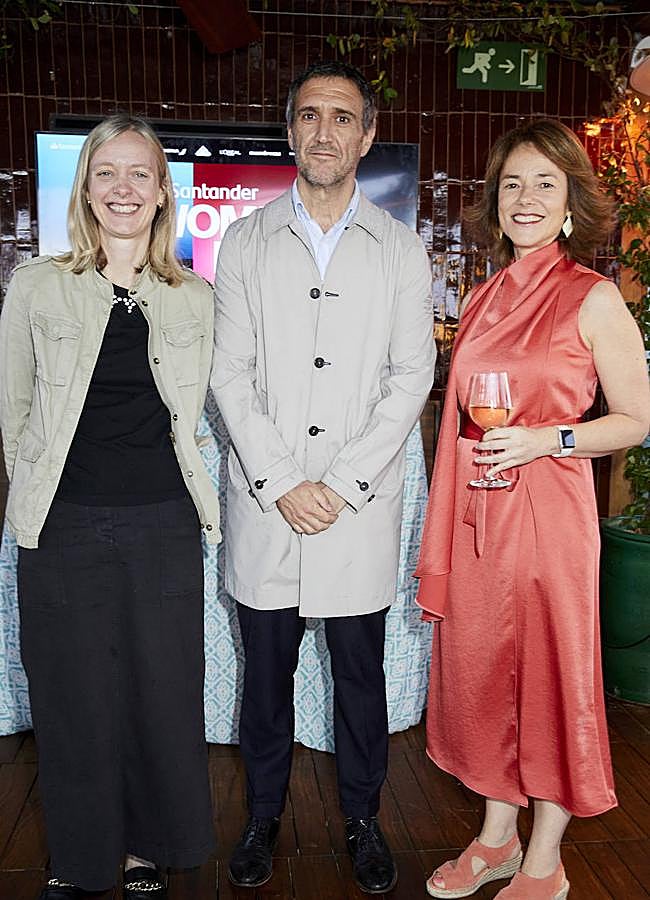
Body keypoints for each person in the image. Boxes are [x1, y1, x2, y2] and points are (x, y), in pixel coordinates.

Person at [210, 61, 435, 894]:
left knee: (358, 679)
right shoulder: (245, 240)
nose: (325, 131)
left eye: (343, 117)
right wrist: (279, 481)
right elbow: (227, 374)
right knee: (263, 683)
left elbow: (411, 378)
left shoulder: (402, 249)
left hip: (354, 510)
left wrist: (337, 484)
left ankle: (364, 818)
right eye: (310, 115)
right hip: (270, 509)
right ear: (291, 130)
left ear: (366, 135)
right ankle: (263, 815)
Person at [415, 119, 650, 899]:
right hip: (482, 516)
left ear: (571, 204)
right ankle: (495, 836)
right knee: (483, 671)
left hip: (550, 517)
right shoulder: (482, 297)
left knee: (548, 672)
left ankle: (544, 857)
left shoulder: (595, 296)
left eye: (545, 183)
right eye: (512, 183)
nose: (525, 198)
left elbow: (635, 420)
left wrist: (547, 439)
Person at [0, 114, 220, 900]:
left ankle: (145, 849)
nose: (123, 189)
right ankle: (83, 855)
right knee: (71, 693)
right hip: (63, 524)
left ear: (163, 193)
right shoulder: (36, 284)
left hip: (163, 521)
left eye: (140, 174)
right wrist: (34, 508)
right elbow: (15, 413)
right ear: (85, 189)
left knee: (160, 692)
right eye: (107, 174)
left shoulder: (194, 298)